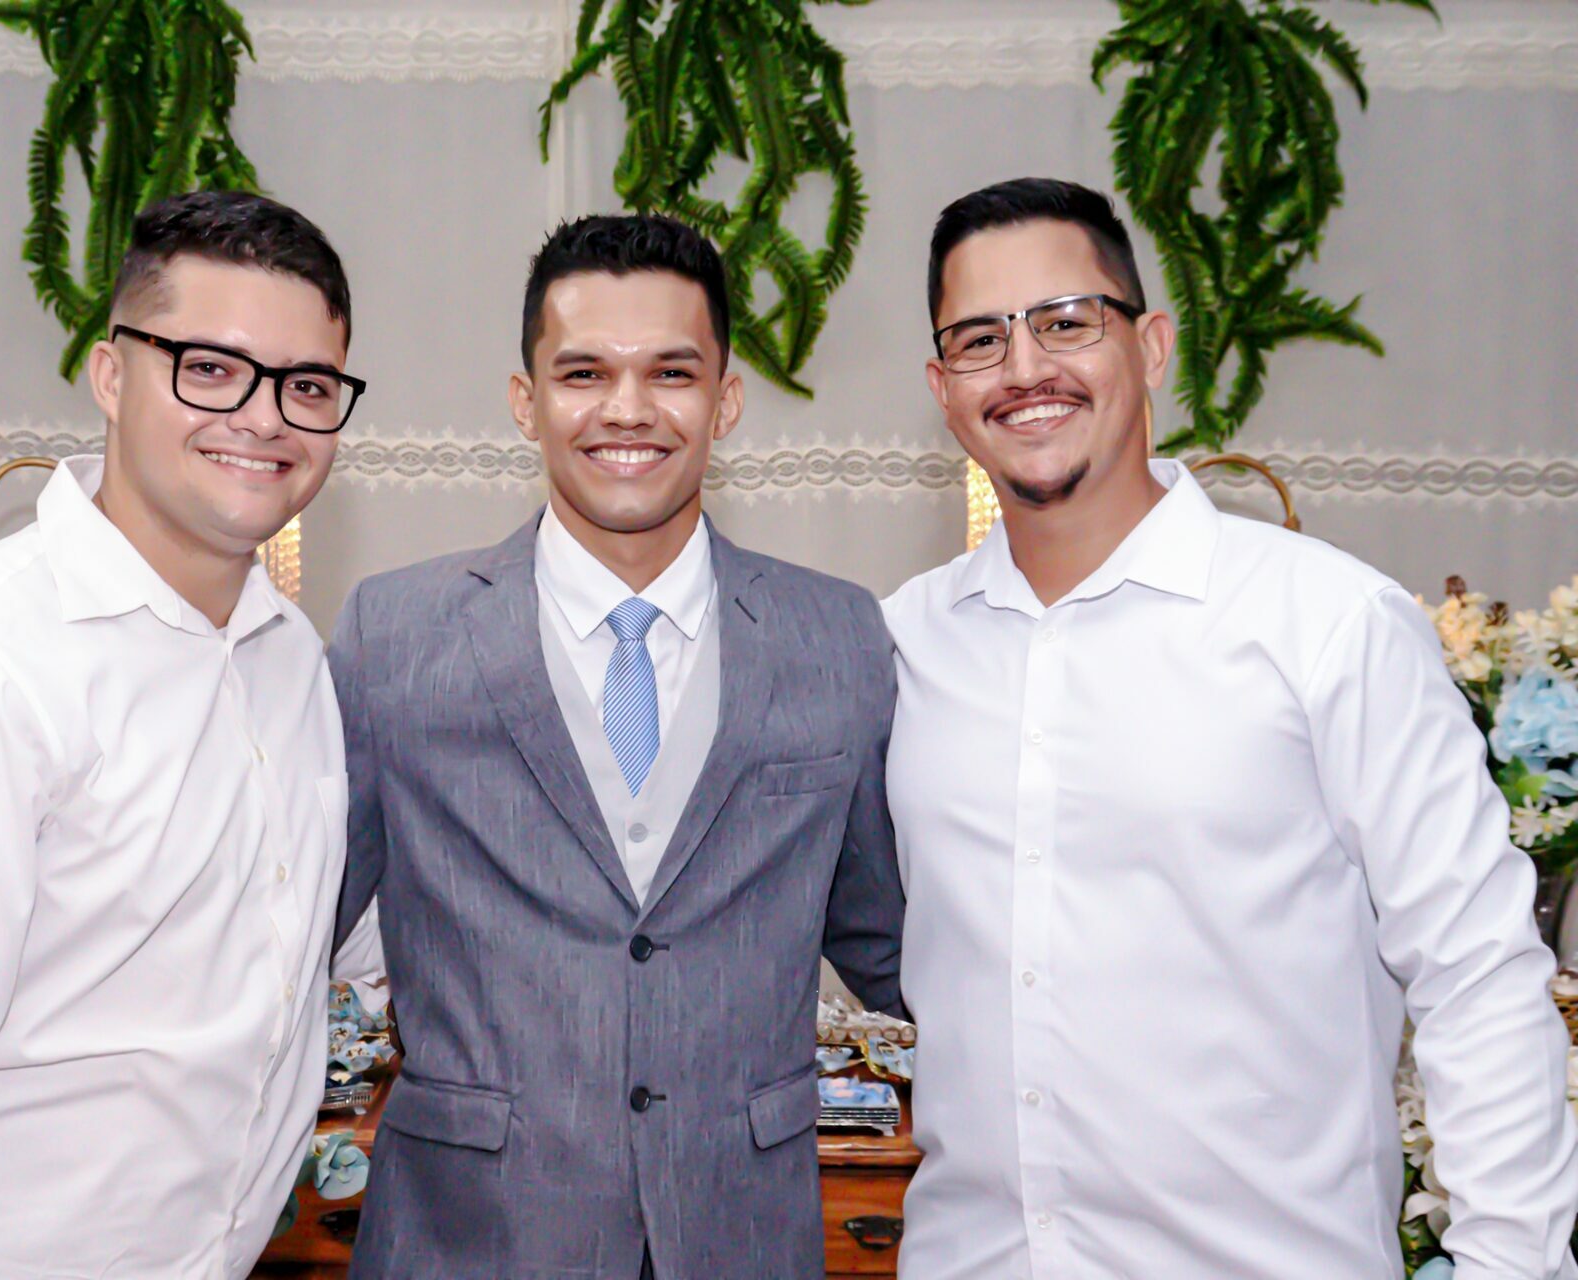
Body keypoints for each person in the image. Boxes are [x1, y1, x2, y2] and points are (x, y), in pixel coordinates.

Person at [884, 176, 1578, 1279]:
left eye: (1066, 322)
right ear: (942, 386)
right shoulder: (904, 644)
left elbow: (1478, 973)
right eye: (980, 339)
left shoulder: (1328, 623)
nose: (1024, 368)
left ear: (1151, 346)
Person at [0, 190, 377, 1279]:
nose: (263, 416)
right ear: (111, 375)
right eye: (210, 367)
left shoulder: (289, 656)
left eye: (307, 385)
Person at [329, 213, 904, 1279]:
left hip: (738, 1240)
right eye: (584, 372)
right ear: (527, 400)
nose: (628, 409)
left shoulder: (840, 636)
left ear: (726, 400)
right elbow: (284, 939)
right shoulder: (392, 636)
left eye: (671, 372)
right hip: (467, 1242)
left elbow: (900, 948)